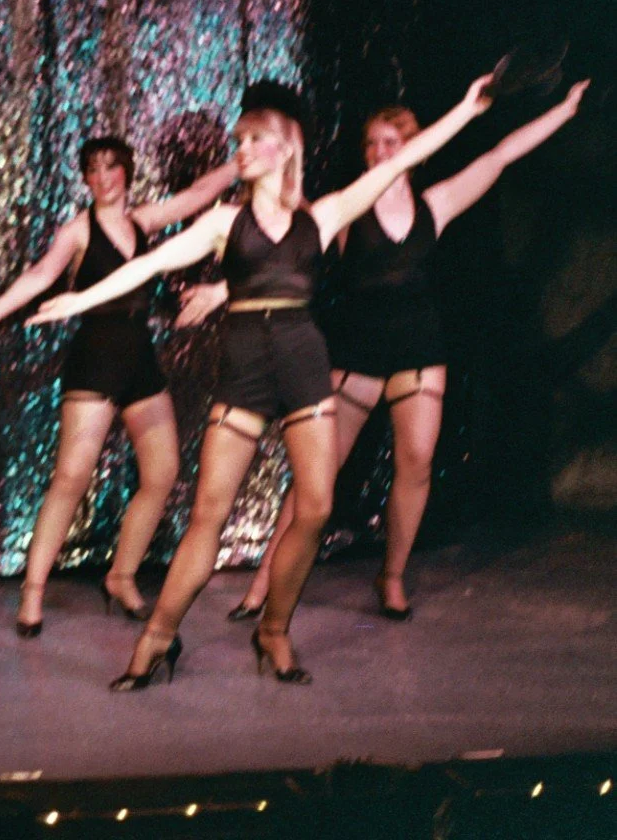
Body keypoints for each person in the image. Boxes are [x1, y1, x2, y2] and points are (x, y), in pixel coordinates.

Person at [28, 75, 492, 687]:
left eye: (253, 139)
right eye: (238, 138)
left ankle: (273, 630)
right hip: (245, 365)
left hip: (302, 357)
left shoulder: (323, 217)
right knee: (207, 517)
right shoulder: (225, 222)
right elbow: (150, 262)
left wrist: (466, 106)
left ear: (286, 149)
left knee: (317, 506)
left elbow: (402, 159)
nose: (240, 148)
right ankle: (156, 640)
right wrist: (78, 298)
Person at [196, 80, 589, 621]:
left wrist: (566, 111)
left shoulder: (437, 203)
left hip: (419, 346)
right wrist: (223, 288)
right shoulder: (347, 207)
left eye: (390, 142)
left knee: (417, 464)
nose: (380, 152)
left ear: (413, 145)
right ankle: (265, 582)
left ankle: (393, 575)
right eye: (372, 144)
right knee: (320, 473)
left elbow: (500, 155)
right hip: (357, 347)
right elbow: (276, 248)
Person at [0, 137, 239, 634]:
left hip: (140, 362)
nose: (105, 177)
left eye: (112, 167)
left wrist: (242, 164)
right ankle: (33, 592)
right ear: (85, 178)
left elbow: (196, 197)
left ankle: (122, 576)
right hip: (95, 361)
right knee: (70, 478)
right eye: (94, 169)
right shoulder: (77, 231)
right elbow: (41, 275)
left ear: (127, 173)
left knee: (162, 473)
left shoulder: (142, 221)